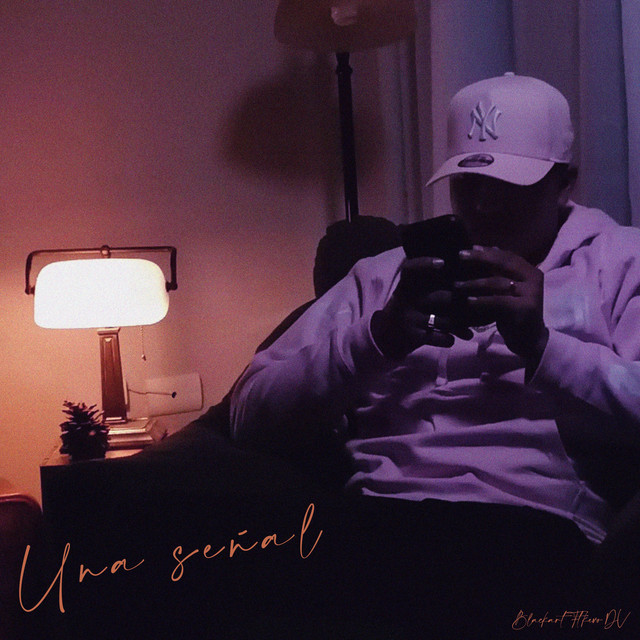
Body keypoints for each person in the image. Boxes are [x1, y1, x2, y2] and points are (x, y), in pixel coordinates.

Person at [229, 73, 640, 633]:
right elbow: (248, 413)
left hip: (532, 529)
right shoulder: (383, 276)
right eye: (467, 184)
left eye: (509, 186)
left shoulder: (618, 264)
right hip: (378, 519)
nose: (484, 206)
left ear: (564, 183)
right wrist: (379, 339)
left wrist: (542, 346)